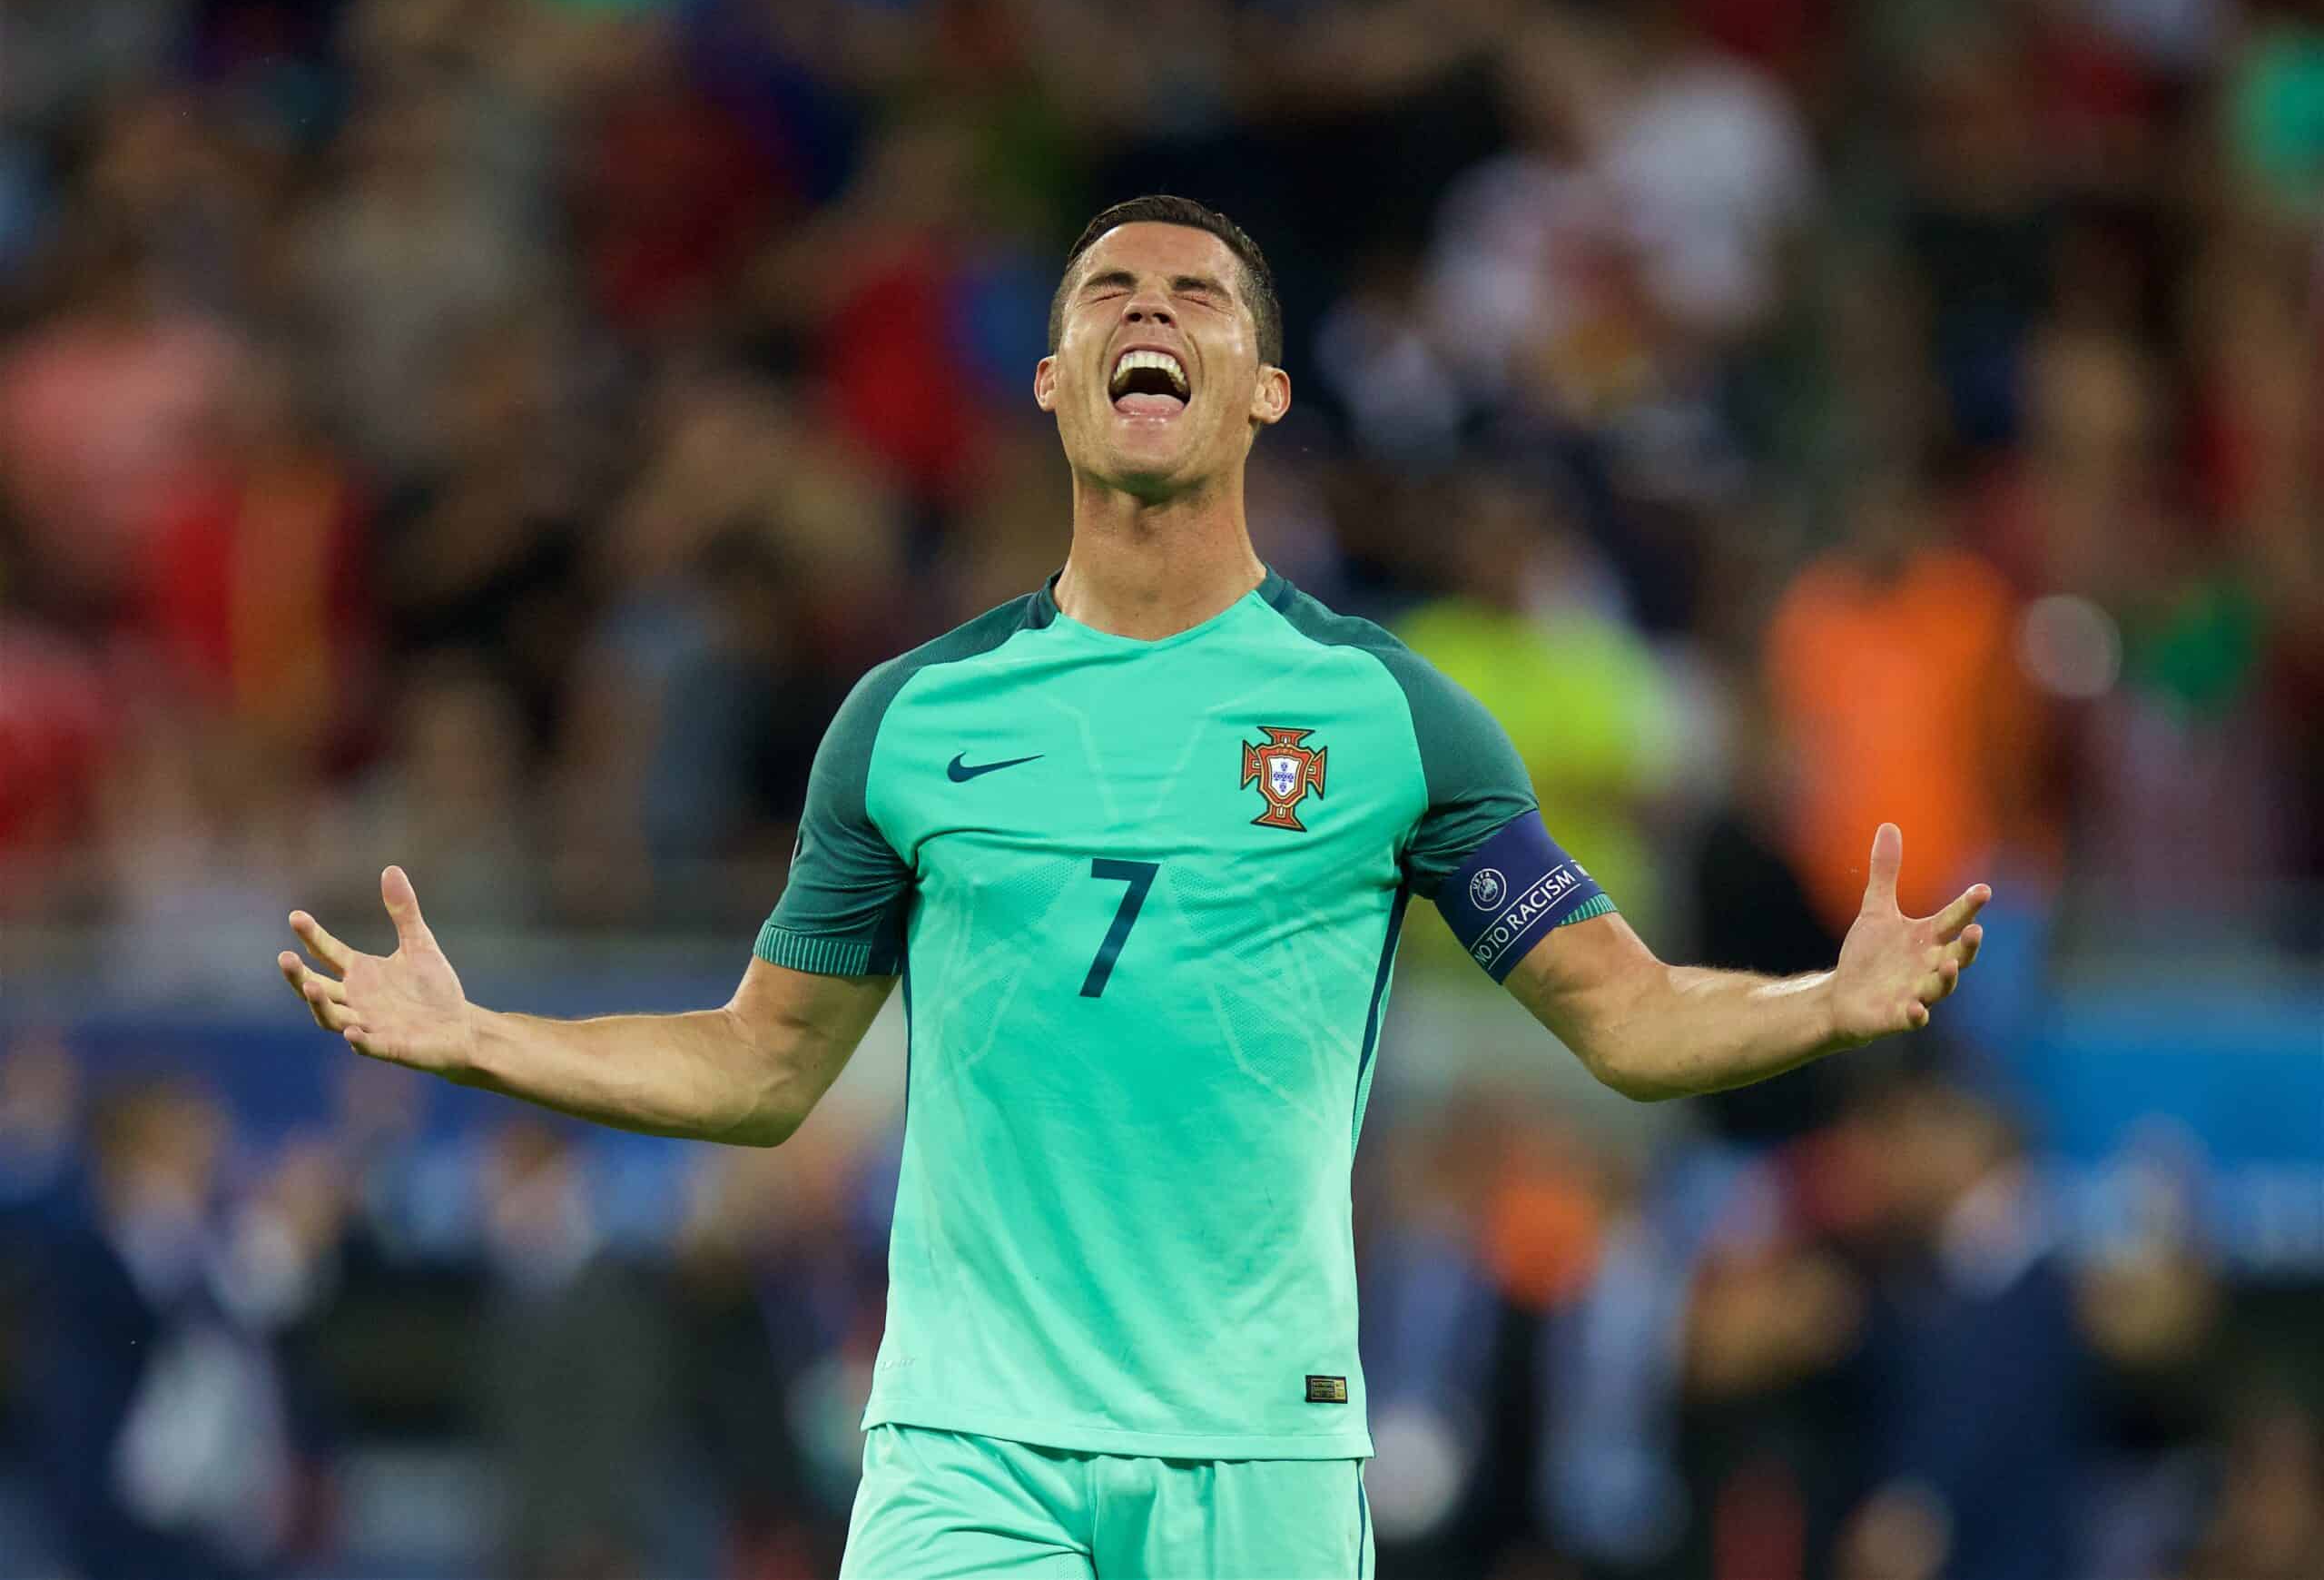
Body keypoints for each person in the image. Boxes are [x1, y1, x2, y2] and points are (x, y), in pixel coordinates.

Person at [274, 195, 1992, 1579]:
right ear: (1051, 376)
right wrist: (479, 1032)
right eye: (1108, 289)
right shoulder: (908, 720)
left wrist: (1825, 1005)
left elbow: (1620, 1013)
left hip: (1262, 1447)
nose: (1148, 312)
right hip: (965, 1448)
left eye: (1198, 295)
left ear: (1265, 389)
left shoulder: (1390, 717)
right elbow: (759, 1065)